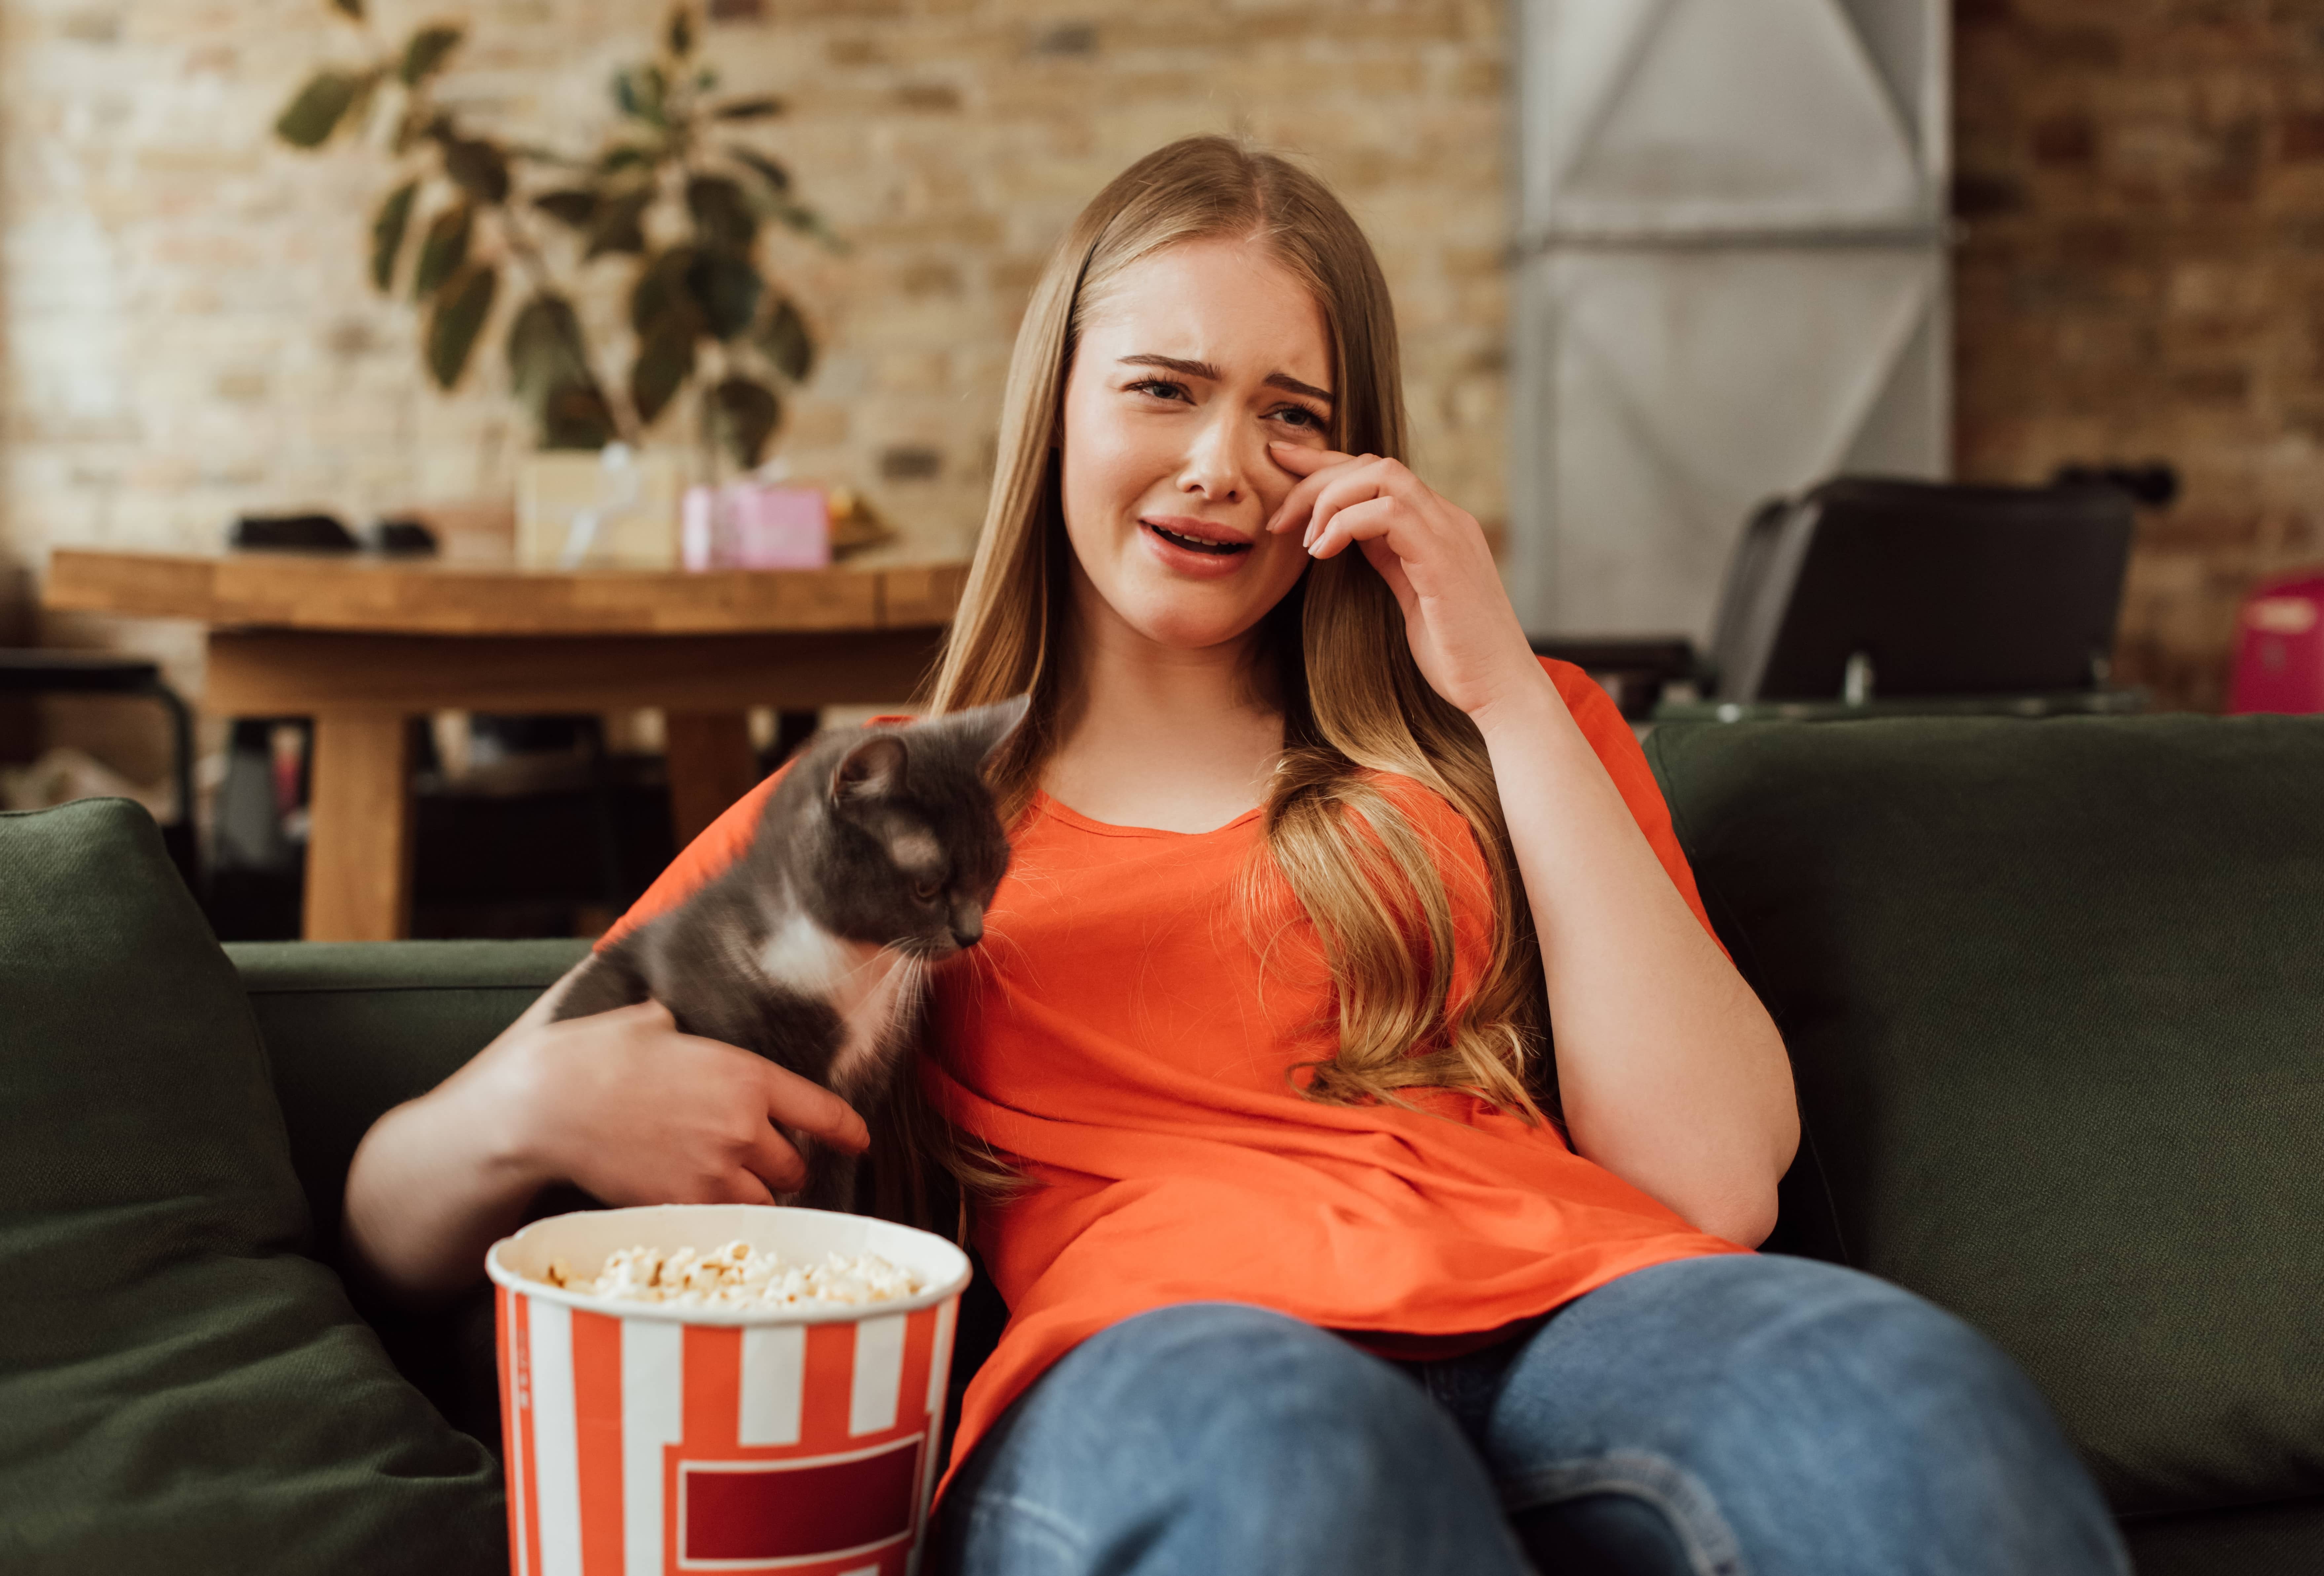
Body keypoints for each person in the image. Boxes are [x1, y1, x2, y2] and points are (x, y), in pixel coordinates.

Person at [344, 137, 2130, 1575]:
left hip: (1588, 1311)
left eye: (1294, 412)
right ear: (1057, 410)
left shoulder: (1500, 733)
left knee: (1897, 1389)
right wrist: (534, 1108)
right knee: (1302, 1457)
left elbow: (1715, 1181)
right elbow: (395, 1209)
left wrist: (1504, 686)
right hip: (1175, 1361)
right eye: (1165, 388)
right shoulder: (891, 812)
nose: (1227, 465)